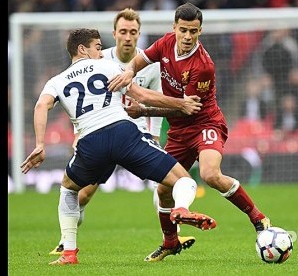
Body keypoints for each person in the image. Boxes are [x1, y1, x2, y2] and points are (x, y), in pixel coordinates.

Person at [20, 28, 217, 265]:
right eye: (97, 47)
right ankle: (182, 209)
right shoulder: (107, 66)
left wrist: (40, 143)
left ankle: (69, 252)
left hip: (90, 142)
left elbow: (41, 106)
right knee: (183, 180)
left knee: (69, 189)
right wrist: (180, 103)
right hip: (123, 133)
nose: (101, 52)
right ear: (82, 49)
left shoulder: (57, 81)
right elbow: (141, 95)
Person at [109, 2, 274, 262]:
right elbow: (141, 60)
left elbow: (185, 109)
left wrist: (144, 108)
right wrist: (129, 71)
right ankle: (170, 242)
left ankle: (258, 218)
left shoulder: (203, 66)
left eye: (193, 31)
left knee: (210, 174)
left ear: (200, 31)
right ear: (174, 28)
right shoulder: (165, 43)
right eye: (183, 30)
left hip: (205, 123)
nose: (187, 37)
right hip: (178, 131)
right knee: (163, 189)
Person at [48, 8, 195, 256]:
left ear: (139, 35)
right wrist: (78, 134)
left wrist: (155, 135)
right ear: (114, 34)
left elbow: (155, 99)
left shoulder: (150, 66)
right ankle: (66, 241)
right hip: (101, 132)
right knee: (82, 196)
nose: (128, 37)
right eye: (123, 32)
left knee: (166, 184)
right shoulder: (98, 60)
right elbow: (79, 99)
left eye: (133, 32)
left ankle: (172, 237)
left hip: (135, 133)